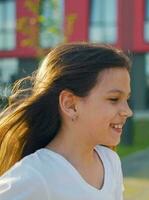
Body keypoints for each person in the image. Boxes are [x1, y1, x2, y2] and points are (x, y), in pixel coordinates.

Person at [0, 43, 133, 200]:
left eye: (126, 99)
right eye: (114, 99)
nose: (128, 111)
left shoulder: (110, 162)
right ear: (70, 104)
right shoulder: (34, 176)